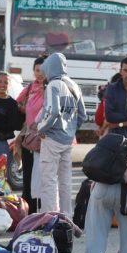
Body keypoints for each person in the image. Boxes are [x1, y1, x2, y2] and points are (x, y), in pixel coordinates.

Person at [37, 53, 87, 216]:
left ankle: (50, 218)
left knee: (49, 181)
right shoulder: (73, 85)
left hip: (52, 139)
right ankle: (66, 217)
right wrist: (70, 130)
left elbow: (53, 113)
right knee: (65, 181)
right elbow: (82, 115)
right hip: (67, 140)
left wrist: (40, 128)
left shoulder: (53, 85)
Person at [16, 56, 46, 213]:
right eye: (36, 71)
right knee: (28, 175)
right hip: (29, 138)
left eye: (42, 71)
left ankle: (42, 210)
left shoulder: (52, 87)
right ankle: (28, 210)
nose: (39, 74)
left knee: (43, 177)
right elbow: (16, 103)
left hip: (46, 139)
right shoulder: (30, 88)